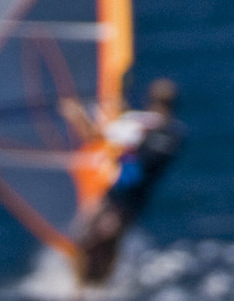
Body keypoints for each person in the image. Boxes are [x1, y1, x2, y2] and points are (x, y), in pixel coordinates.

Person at [64, 78, 184, 287]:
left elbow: (92, 136)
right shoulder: (175, 132)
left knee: (87, 239)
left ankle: (84, 288)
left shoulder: (138, 124)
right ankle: (95, 285)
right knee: (105, 241)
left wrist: (75, 113)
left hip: (121, 196)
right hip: (133, 199)